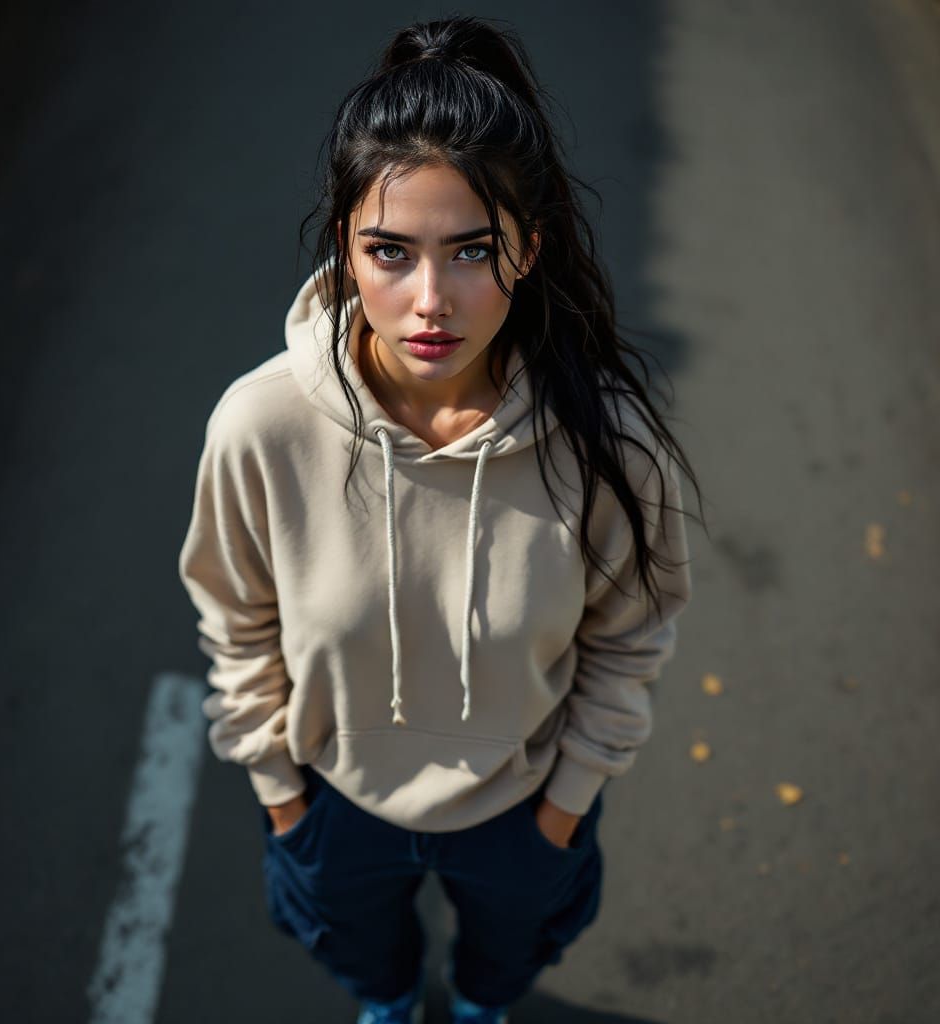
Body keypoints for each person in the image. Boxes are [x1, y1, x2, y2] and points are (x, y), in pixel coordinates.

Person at [177, 14, 702, 1024]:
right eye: (389, 251)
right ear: (344, 245)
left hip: (522, 810)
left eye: (470, 250)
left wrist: (562, 810)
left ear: (527, 250)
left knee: (501, 970)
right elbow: (234, 616)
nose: (429, 301)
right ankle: (387, 1004)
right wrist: (284, 802)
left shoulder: (607, 443)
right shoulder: (262, 423)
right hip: (335, 806)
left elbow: (630, 638)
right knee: (367, 971)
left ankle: (475, 1005)